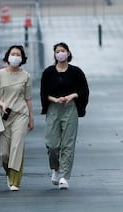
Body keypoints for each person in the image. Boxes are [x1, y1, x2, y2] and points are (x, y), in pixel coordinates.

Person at [40, 42, 89, 189]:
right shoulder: (48, 72)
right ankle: (55, 168)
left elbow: (84, 90)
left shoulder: (76, 72)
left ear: (68, 53)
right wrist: (55, 99)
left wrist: (71, 96)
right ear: (54, 54)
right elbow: (43, 93)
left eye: (63, 50)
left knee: (68, 143)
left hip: (70, 108)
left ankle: (64, 176)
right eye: (57, 51)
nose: (60, 53)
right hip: (53, 109)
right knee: (52, 145)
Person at [0, 45, 34, 191]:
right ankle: (9, 173)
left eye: (18, 54)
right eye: (12, 54)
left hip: (21, 114)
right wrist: (2, 104)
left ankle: (15, 181)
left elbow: (28, 99)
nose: (15, 56)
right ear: (8, 56)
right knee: (4, 153)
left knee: (17, 146)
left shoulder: (26, 76)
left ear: (22, 58)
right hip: (4, 117)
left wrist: (31, 118)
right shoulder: (0, 74)